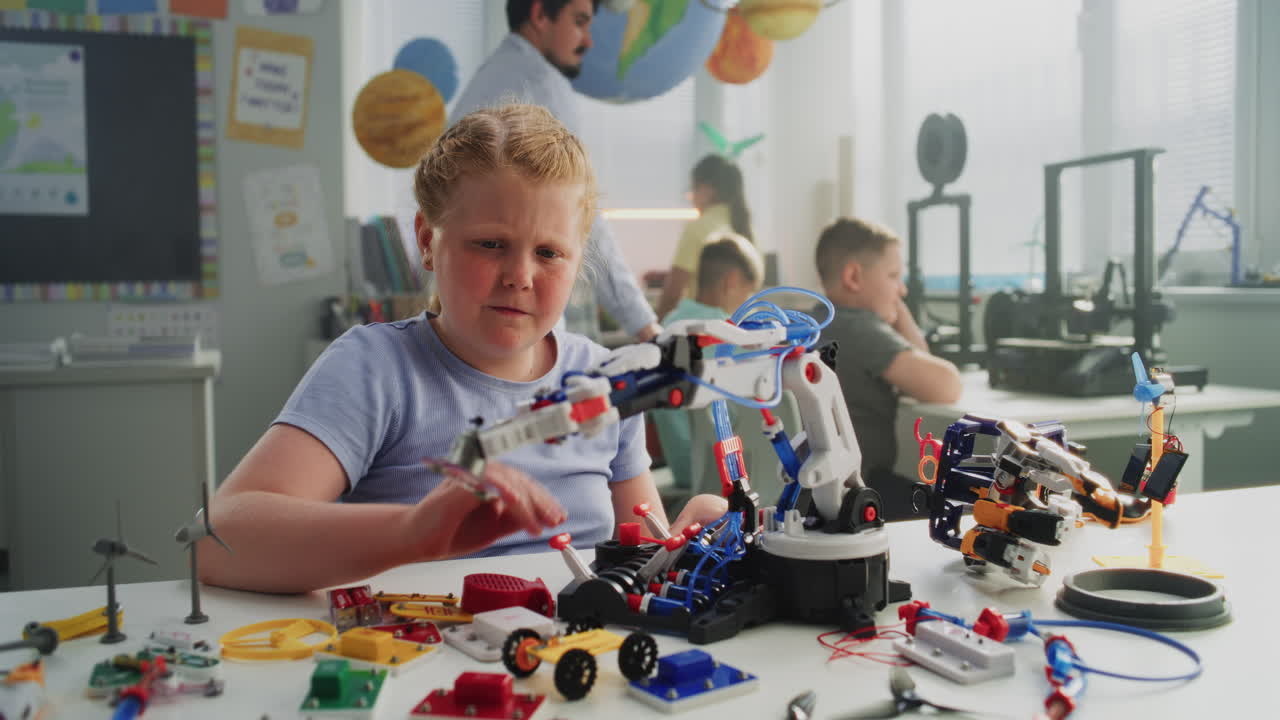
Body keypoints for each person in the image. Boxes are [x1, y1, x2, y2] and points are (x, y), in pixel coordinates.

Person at [200, 105, 726, 594]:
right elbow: (216, 539)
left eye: (548, 252)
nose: (520, 275)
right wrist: (412, 532)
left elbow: (639, 559)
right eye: (491, 244)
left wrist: (681, 547)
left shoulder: (609, 378)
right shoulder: (374, 368)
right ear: (428, 240)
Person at [451, 0, 659, 343]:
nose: (588, 40)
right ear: (539, 15)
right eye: (579, 22)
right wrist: (644, 326)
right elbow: (583, 216)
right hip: (515, 321)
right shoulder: (542, 85)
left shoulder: (492, 76)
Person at [814, 217, 962, 520]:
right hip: (857, 496)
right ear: (854, 277)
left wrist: (891, 304)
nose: (902, 289)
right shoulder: (859, 329)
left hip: (811, 496)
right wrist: (901, 316)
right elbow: (946, 385)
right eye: (894, 276)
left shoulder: (814, 322)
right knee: (958, 509)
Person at [651, 235, 763, 491]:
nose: (749, 301)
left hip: (682, 468)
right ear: (732, 281)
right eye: (750, 291)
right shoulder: (731, 334)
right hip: (728, 474)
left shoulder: (668, 325)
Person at [655, 154, 754, 320]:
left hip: (707, 334)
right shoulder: (748, 231)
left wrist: (655, 333)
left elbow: (673, 294)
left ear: (707, 189)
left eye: (693, 190)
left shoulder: (698, 228)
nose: (691, 198)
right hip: (747, 330)